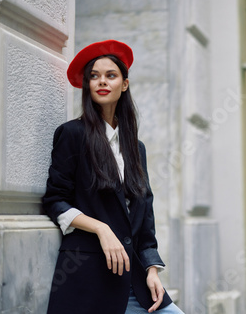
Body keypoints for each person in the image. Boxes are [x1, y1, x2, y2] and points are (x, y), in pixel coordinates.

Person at [42, 40, 184, 313]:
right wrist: (101, 228)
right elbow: (55, 200)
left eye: (110, 75)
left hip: (137, 281)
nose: (101, 82)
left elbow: (145, 219)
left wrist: (152, 268)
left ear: (125, 84)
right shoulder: (72, 134)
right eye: (94, 76)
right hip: (89, 278)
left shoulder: (135, 147)